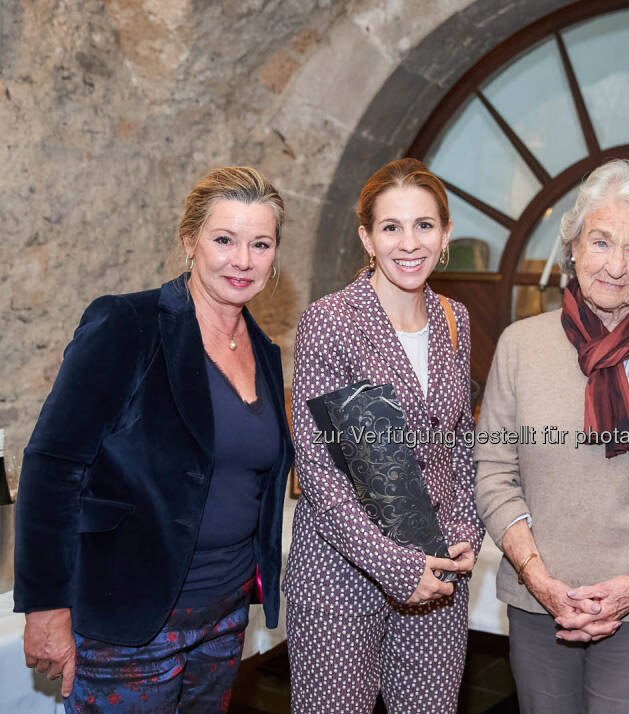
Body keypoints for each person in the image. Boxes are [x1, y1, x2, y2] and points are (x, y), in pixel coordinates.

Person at [14, 166, 295, 712]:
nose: (242, 259)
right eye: (224, 239)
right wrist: (46, 606)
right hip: (130, 618)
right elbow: (52, 466)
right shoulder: (129, 323)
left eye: (260, 244)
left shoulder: (264, 350)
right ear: (189, 241)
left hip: (225, 612)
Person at [474, 159, 629, 714]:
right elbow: (494, 473)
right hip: (537, 598)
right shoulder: (521, 345)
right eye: (601, 242)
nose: (617, 266)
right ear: (573, 245)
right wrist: (541, 580)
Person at [284, 157, 482, 713]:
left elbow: (458, 442)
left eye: (424, 225)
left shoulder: (453, 319)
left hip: (439, 570)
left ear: (445, 234)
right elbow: (323, 474)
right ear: (366, 237)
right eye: (391, 227)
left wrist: (467, 529)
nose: (408, 243)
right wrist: (397, 567)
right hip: (341, 577)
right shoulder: (334, 321)